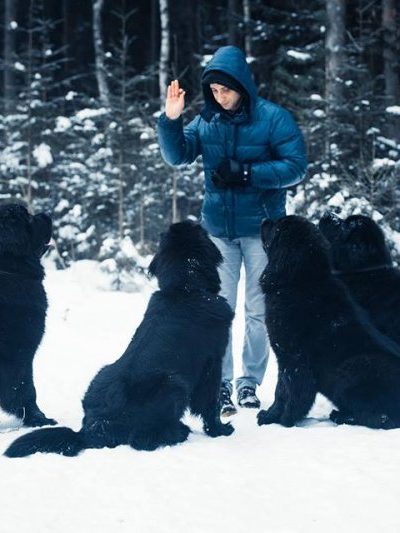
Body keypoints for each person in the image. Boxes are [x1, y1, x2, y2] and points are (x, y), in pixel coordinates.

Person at [156, 45, 307, 418]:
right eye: (213, 92)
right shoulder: (207, 121)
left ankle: (248, 383)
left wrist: (248, 173)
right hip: (218, 233)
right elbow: (177, 156)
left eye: (225, 90)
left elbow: (296, 166)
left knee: (258, 311)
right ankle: (220, 385)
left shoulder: (273, 119)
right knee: (219, 310)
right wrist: (170, 121)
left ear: (241, 85)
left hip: (261, 230)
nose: (219, 97)